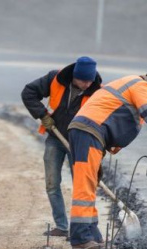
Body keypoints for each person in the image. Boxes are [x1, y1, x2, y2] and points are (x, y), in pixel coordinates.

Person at [66, 69, 147, 249]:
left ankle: (93, 237)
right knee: (85, 185)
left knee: (89, 184)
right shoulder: (141, 85)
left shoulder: (130, 85)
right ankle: (81, 239)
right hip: (88, 132)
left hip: (89, 133)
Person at [22, 57, 102, 238]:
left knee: (82, 187)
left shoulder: (97, 92)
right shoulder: (55, 79)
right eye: (83, 81)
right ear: (74, 76)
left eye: (90, 81)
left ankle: (82, 229)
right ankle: (61, 226)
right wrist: (42, 114)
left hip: (79, 143)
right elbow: (28, 92)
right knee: (52, 184)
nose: (86, 84)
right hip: (55, 138)